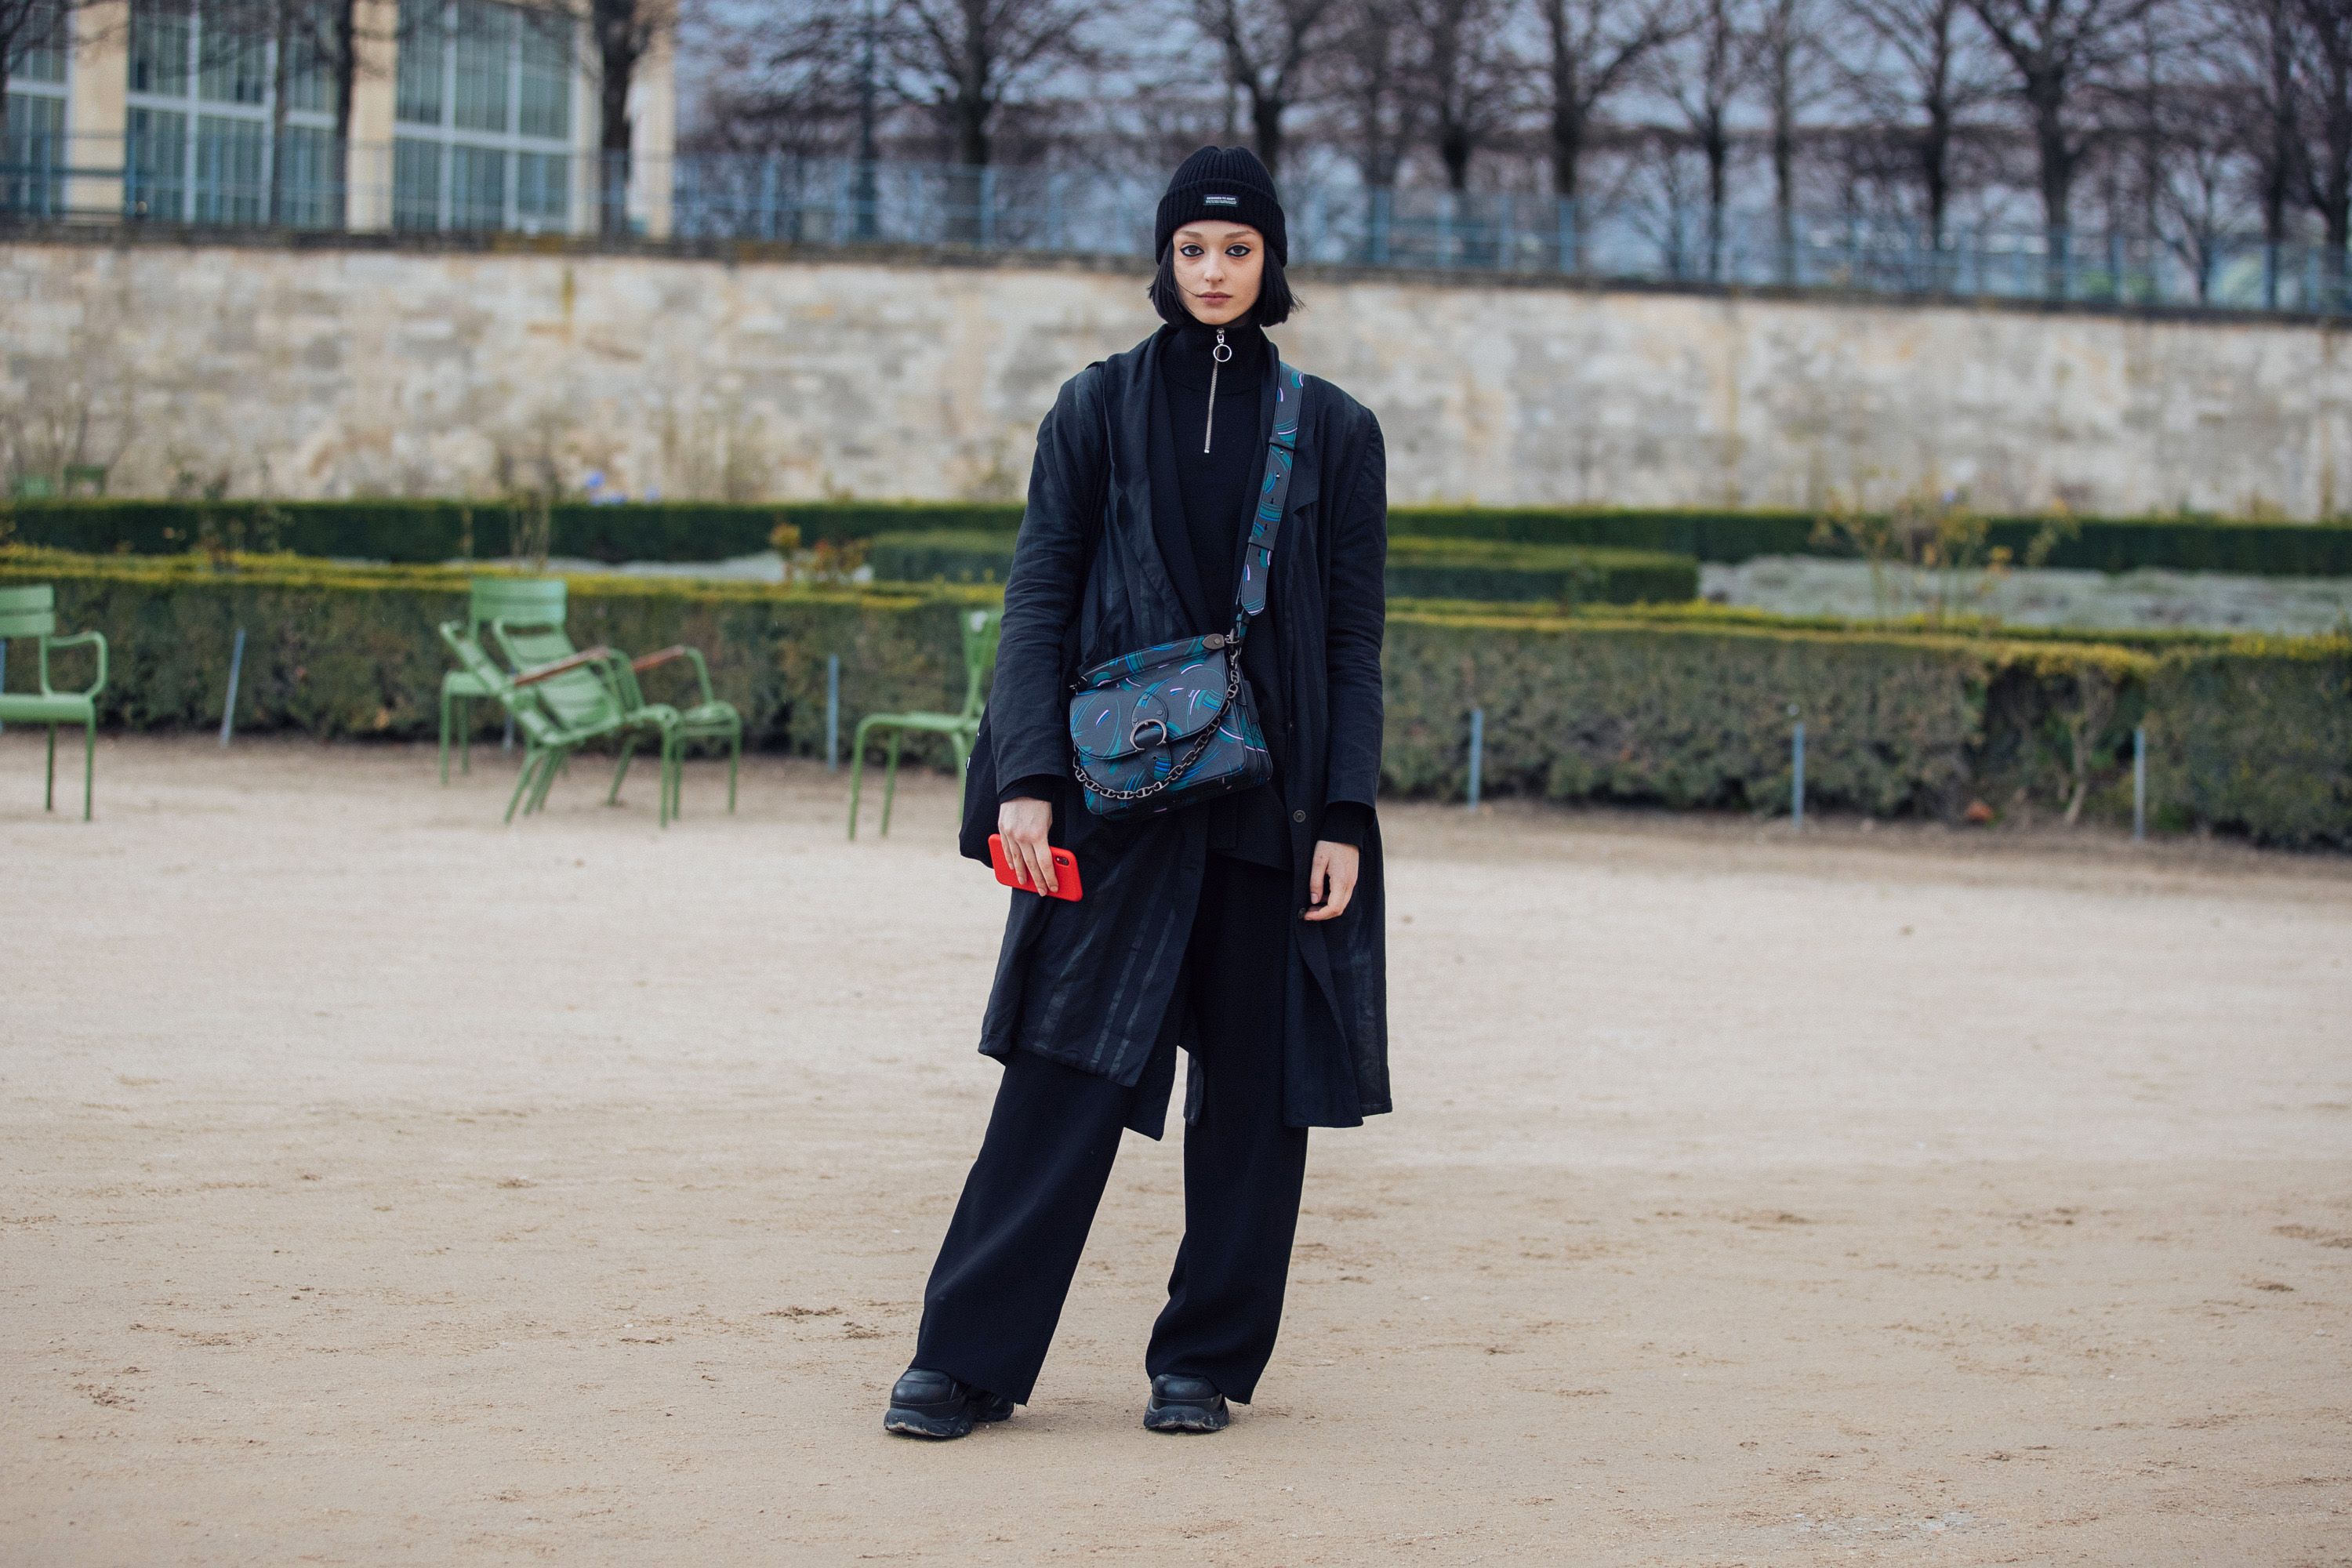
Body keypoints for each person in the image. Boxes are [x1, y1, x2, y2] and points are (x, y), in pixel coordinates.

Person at [884, 145, 1392, 1439]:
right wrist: (1029, 782)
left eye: (1236, 250)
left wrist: (1345, 814)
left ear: (1271, 263)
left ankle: (1201, 1362)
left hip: (1272, 814)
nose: (1213, 271)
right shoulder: (1094, 409)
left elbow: (1352, 640)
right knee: (1058, 1082)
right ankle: (964, 1360)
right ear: (1163, 261)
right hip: (1115, 808)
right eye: (1191, 250)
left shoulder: (1334, 429)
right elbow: (1038, 599)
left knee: (1254, 1108)